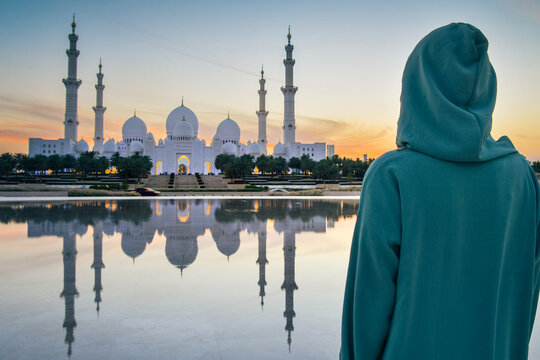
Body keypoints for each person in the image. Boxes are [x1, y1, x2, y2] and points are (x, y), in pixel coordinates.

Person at [340, 23, 540, 359]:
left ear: (417, 89)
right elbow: (524, 300)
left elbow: (366, 315)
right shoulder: (523, 179)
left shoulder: (392, 177)